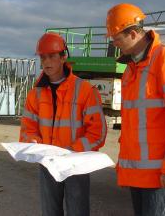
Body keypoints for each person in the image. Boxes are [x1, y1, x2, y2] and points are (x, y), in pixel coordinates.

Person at [106, 3, 165, 216]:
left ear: (132, 33)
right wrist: (125, 167)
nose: (115, 45)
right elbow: (134, 125)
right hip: (140, 174)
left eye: (117, 39)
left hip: (162, 174)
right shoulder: (131, 70)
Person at [19, 32, 107, 216]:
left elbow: (97, 133)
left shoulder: (84, 90)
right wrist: (34, 143)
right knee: (50, 212)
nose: (46, 62)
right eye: (43, 57)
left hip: (75, 163)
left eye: (51, 56)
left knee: (77, 211)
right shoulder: (35, 93)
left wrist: (71, 151)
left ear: (63, 56)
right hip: (48, 163)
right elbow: (28, 127)